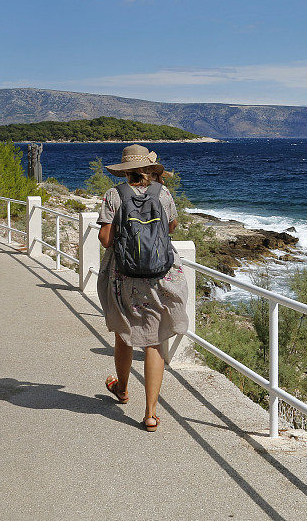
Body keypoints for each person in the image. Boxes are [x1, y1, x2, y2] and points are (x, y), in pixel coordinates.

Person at [97, 145, 189, 432]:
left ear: (125, 171)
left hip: (123, 277)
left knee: (124, 333)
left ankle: (122, 389)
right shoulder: (163, 194)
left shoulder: (114, 195)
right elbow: (171, 227)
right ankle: (150, 414)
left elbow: (104, 238)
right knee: (155, 340)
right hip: (159, 276)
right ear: (151, 170)